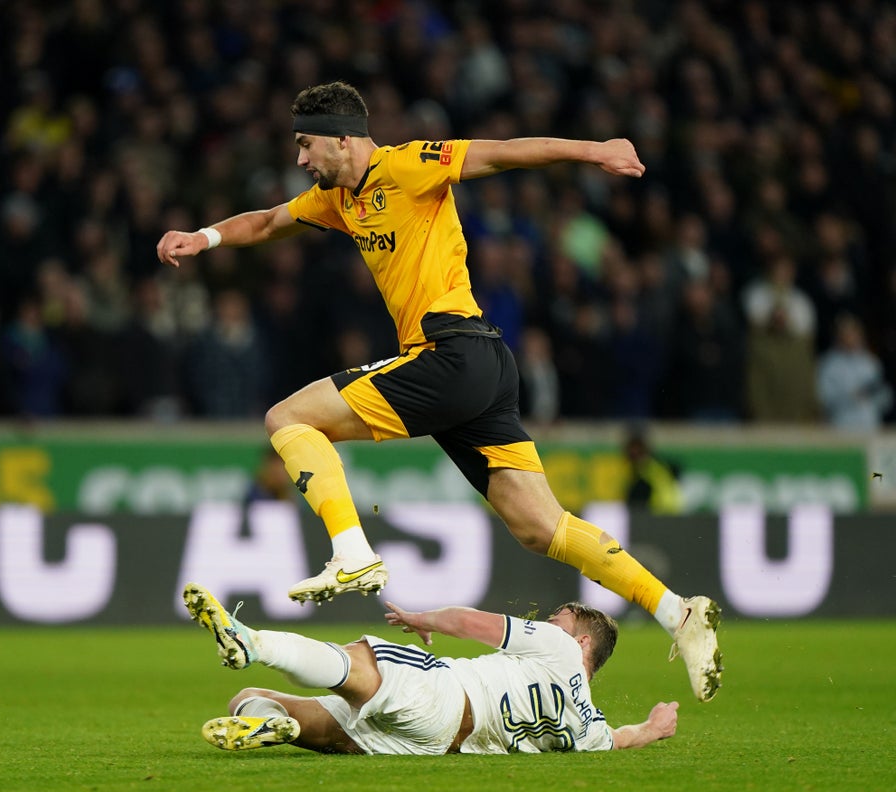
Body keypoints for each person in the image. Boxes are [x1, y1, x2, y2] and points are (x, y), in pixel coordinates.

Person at [157, 81, 721, 701]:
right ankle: (677, 613)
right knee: (540, 527)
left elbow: (504, 153)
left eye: (305, 144)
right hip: (479, 368)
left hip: (451, 353)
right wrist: (203, 237)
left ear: (343, 139)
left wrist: (595, 151)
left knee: (288, 417)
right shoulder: (338, 198)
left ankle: (351, 551)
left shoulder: (408, 164)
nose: (300, 160)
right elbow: (267, 222)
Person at [183, 583, 679, 755]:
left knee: (359, 661)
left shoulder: (560, 647)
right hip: (438, 743)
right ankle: (280, 724)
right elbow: (621, 737)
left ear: (582, 640)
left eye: (558, 619)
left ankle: (251, 641)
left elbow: (470, 622)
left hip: (446, 693)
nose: (548, 621)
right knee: (247, 699)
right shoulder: (585, 722)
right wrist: (655, 728)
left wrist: (421, 619)